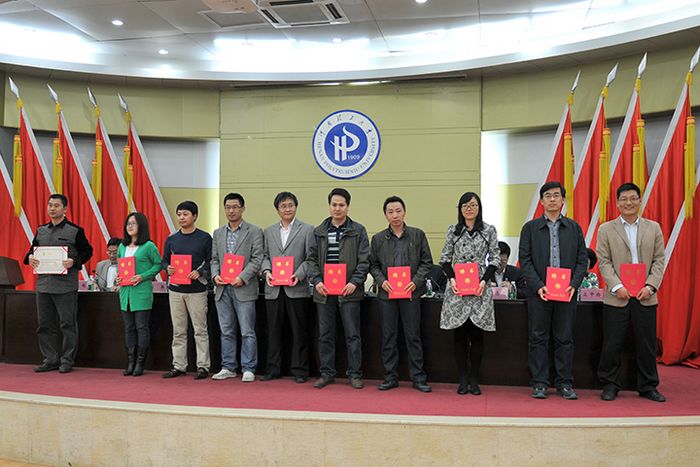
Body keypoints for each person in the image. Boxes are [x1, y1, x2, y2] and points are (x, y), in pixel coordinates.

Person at [596, 182, 666, 402]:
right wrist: (617, 286)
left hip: (646, 295)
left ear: (640, 201)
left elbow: (659, 260)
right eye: (624, 199)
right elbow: (604, 261)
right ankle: (610, 384)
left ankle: (648, 386)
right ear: (617, 203)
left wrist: (650, 286)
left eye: (633, 198)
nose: (629, 203)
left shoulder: (653, 228)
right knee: (612, 343)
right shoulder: (606, 229)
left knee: (646, 344)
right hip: (617, 296)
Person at [519, 181, 587, 400]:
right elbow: (525, 260)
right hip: (539, 293)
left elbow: (582, 260)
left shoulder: (574, 228)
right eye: (547, 196)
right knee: (538, 337)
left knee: (564, 338)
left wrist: (574, 284)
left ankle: (564, 383)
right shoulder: (530, 228)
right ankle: (539, 383)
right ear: (541, 201)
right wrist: (538, 285)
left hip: (567, 293)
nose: (552, 199)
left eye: (556, 195)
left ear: (563, 200)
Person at [307, 188, 369, 389]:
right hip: (324, 292)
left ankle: (355, 374)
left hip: (349, 291)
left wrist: (354, 282)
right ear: (329, 206)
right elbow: (310, 260)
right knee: (325, 335)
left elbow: (364, 261)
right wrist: (317, 281)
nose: (337, 208)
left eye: (341, 205)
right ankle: (326, 373)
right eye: (334, 204)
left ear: (348, 207)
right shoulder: (318, 231)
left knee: (353, 335)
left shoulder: (358, 230)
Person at [369, 196, 433, 393]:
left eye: (398, 211)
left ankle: (418, 377)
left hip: (410, 294)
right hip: (387, 295)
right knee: (388, 336)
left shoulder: (417, 235)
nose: (395, 215)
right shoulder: (378, 239)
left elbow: (427, 263)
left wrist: (415, 282)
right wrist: (382, 281)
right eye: (390, 212)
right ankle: (390, 377)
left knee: (413, 336)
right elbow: (373, 265)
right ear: (385, 215)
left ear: (404, 212)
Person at [439, 192, 500, 395]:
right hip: (457, 286)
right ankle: (462, 379)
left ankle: (474, 379)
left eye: (473, 205)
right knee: (460, 334)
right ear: (460, 209)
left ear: (479, 208)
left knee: (477, 334)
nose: (469, 209)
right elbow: (445, 259)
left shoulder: (488, 230)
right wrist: (452, 279)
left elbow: (495, 258)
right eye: (465, 205)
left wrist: (484, 280)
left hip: (480, 286)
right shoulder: (453, 231)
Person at [24, 194, 93, 374]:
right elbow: (31, 252)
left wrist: (74, 261)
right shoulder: (41, 230)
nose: (52, 208)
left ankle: (67, 360)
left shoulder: (75, 231)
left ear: (65, 209)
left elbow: (88, 251)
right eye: (50, 205)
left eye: (56, 205)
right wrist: (30, 257)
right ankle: (50, 359)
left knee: (67, 324)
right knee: (44, 325)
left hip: (65, 286)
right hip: (43, 285)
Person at [260, 192, 315, 383]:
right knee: (273, 331)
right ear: (277, 209)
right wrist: (267, 272)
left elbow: (310, 258)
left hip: (296, 288)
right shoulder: (268, 231)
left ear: (296, 207)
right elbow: (263, 256)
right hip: (274, 289)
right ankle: (273, 368)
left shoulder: (307, 230)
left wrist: (298, 275)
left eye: (290, 205)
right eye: (283, 206)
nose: (287, 209)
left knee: (299, 331)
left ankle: (300, 370)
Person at [210, 193, 263, 382]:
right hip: (222, 288)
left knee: (247, 331)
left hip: (244, 288)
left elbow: (257, 259)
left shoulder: (254, 231)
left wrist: (242, 277)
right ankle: (228, 367)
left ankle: (248, 367)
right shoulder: (218, 233)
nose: (231, 211)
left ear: (242, 209)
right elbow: (214, 259)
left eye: (235, 207)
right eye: (228, 207)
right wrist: (215, 275)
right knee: (226, 331)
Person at [161, 201, 213, 380]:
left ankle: (203, 366)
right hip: (176, 290)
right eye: (179, 214)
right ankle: (179, 365)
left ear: (195, 216)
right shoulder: (172, 238)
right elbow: (164, 260)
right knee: (178, 331)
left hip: (197, 290)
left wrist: (200, 272)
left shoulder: (204, 238)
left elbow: (211, 260)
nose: (181, 218)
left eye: (185, 214)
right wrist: (167, 268)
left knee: (200, 330)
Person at [115, 212, 162, 376]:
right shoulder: (122, 247)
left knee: (141, 327)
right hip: (125, 292)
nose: (130, 226)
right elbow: (120, 267)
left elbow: (158, 265)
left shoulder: (149, 246)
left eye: (133, 223)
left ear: (141, 226)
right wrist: (118, 277)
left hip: (141, 291)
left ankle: (140, 363)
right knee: (129, 328)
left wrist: (143, 276)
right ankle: (130, 361)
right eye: (128, 223)